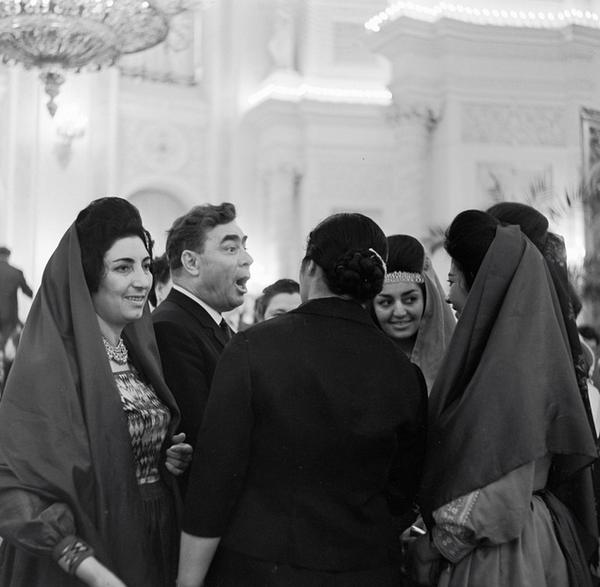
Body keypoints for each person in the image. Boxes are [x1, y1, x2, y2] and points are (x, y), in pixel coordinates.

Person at [177, 212, 428, 587]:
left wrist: (188, 580)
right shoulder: (404, 372)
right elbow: (404, 490)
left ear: (309, 268)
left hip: (263, 568)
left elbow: (215, 478)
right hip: (366, 567)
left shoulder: (253, 348)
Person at [0, 197, 192, 586]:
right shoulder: (51, 364)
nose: (142, 280)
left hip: (152, 535)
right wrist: (86, 566)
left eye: (145, 265)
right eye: (123, 267)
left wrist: (163, 453)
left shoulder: (140, 357)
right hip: (87, 557)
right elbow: (14, 480)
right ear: (87, 278)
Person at [413, 210, 598, 587]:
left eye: (454, 280)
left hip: (503, 554)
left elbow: (503, 495)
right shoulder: (508, 359)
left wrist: (431, 546)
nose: (448, 295)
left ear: (483, 286)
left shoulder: (512, 368)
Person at [152, 202, 253, 494]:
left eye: (244, 247)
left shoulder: (214, 323)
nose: (248, 259)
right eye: (231, 249)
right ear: (192, 262)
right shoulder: (171, 327)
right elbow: (202, 437)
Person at [372, 235, 455, 391]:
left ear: (428, 301)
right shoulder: (359, 362)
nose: (400, 312)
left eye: (410, 300)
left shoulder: (455, 362)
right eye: (386, 302)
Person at [0, 246, 33, 349]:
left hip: (8, 315)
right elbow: (28, 292)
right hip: (9, 314)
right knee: (6, 340)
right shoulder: (16, 272)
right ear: (8, 256)